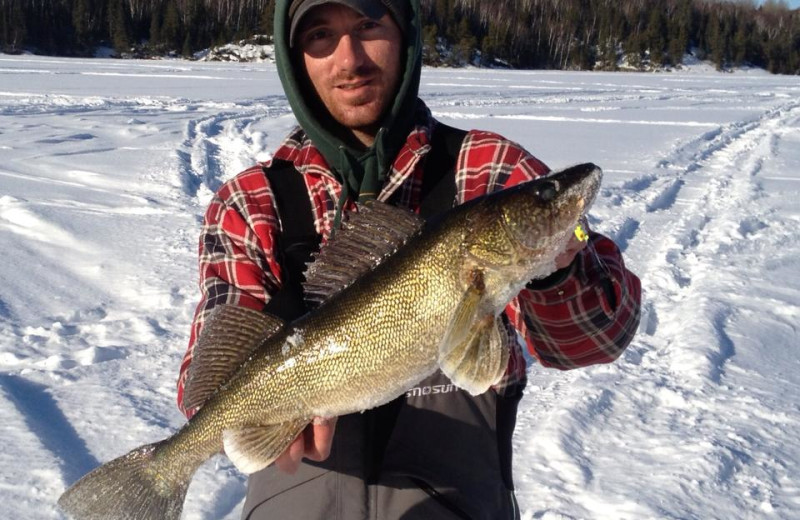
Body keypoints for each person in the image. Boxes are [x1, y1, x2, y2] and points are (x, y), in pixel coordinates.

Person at [176, 0, 642, 518]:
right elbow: (206, 381)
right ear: (295, 59)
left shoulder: (490, 170)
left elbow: (596, 337)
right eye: (320, 36)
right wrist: (261, 412)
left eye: (369, 26)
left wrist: (560, 268)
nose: (349, 58)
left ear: (406, 36)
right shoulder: (249, 202)